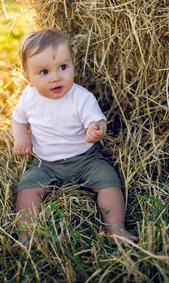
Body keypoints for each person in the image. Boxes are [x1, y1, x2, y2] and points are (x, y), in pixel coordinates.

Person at [12, 28, 138, 246]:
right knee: (27, 189)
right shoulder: (28, 97)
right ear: (28, 78)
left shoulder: (81, 97)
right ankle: (27, 234)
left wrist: (96, 130)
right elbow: (18, 119)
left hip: (85, 160)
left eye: (63, 67)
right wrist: (21, 137)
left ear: (72, 65)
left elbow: (98, 122)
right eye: (44, 72)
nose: (56, 77)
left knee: (109, 182)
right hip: (45, 163)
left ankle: (115, 227)